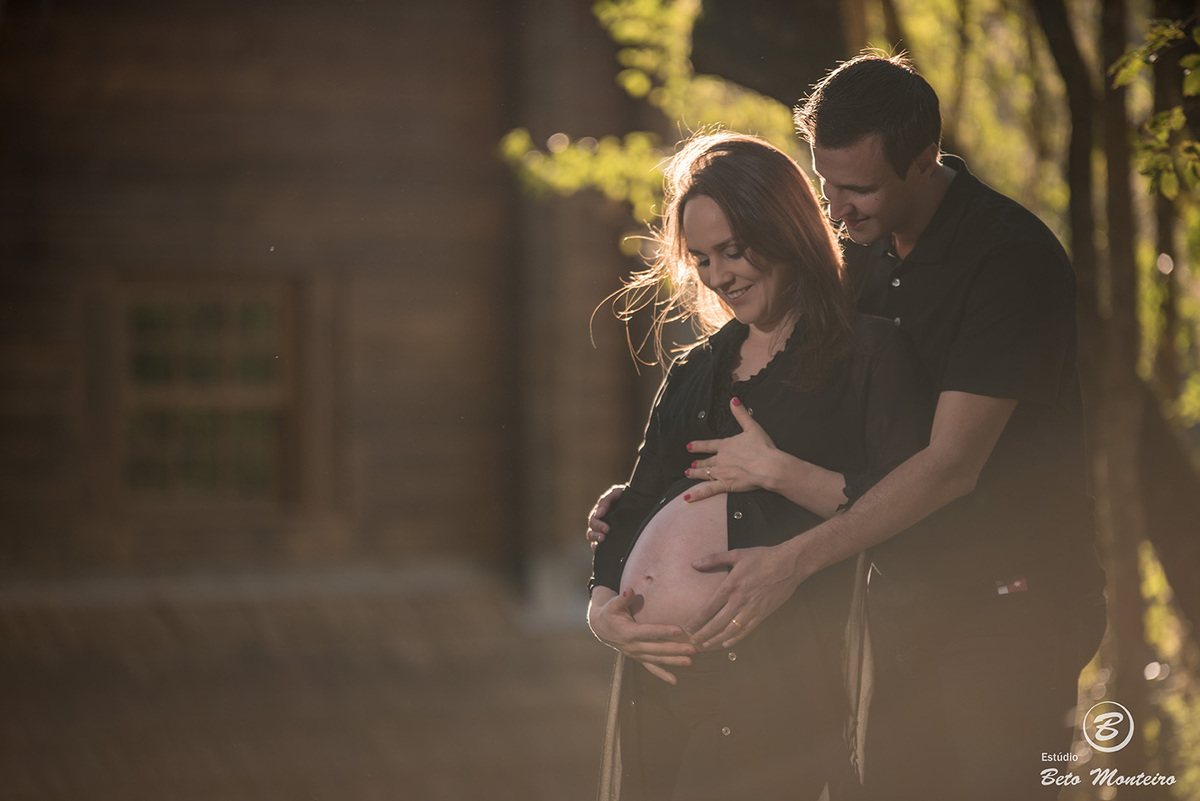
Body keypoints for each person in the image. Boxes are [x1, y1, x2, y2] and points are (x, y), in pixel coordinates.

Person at [588, 55, 1108, 801]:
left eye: (857, 187)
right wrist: (656, 513)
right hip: (902, 598)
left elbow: (950, 465)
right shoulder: (860, 250)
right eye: (824, 182)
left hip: (1008, 600)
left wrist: (789, 548)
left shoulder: (1008, 259)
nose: (835, 207)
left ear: (924, 161)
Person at [587, 130, 932, 801]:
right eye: (703, 258)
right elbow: (636, 505)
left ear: (786, 231)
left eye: (735, 251)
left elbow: (910, 508)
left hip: (778, 679)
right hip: (658, 681)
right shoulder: (694, 371)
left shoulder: (866, 356)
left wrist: (778, 470)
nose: (719, 275)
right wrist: (602, 608)